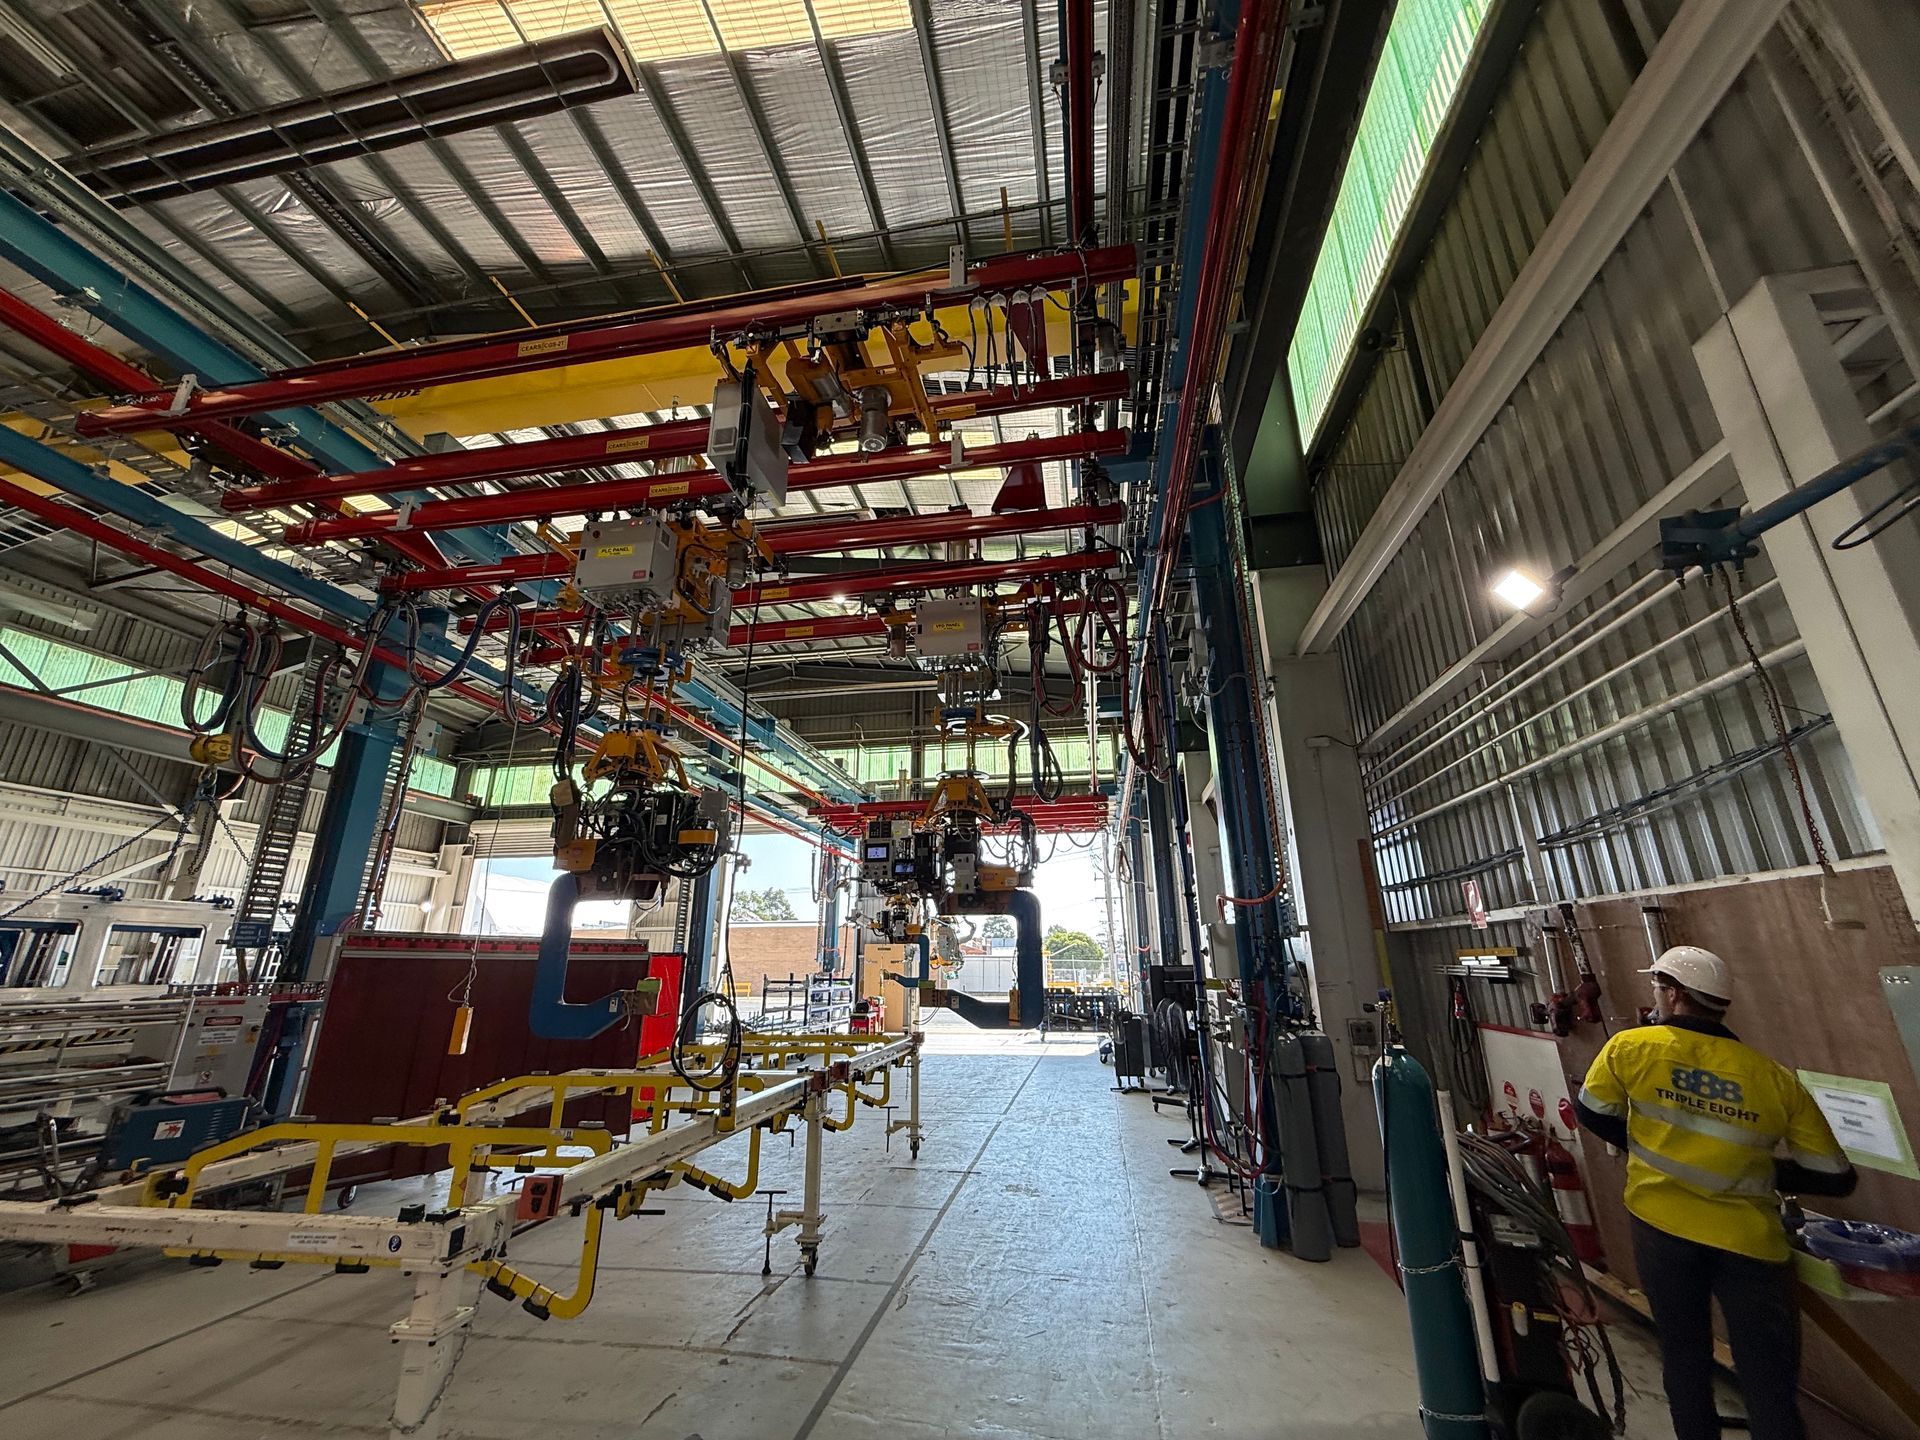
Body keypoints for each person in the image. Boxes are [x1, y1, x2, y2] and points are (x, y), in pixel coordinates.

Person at [1575, 945, 1856, 1440]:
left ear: (1674, 994)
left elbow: (1591, 1111)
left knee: (1685, 1358)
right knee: (1768, 1379)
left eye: (1657, 987)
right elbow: (1836, 1176)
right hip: (1749, 1242)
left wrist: (1648, 1146)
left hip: (1661, 1227)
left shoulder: (1630, 1049)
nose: (1655, 996)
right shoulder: (1771, 1078)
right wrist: (1751, 1170)